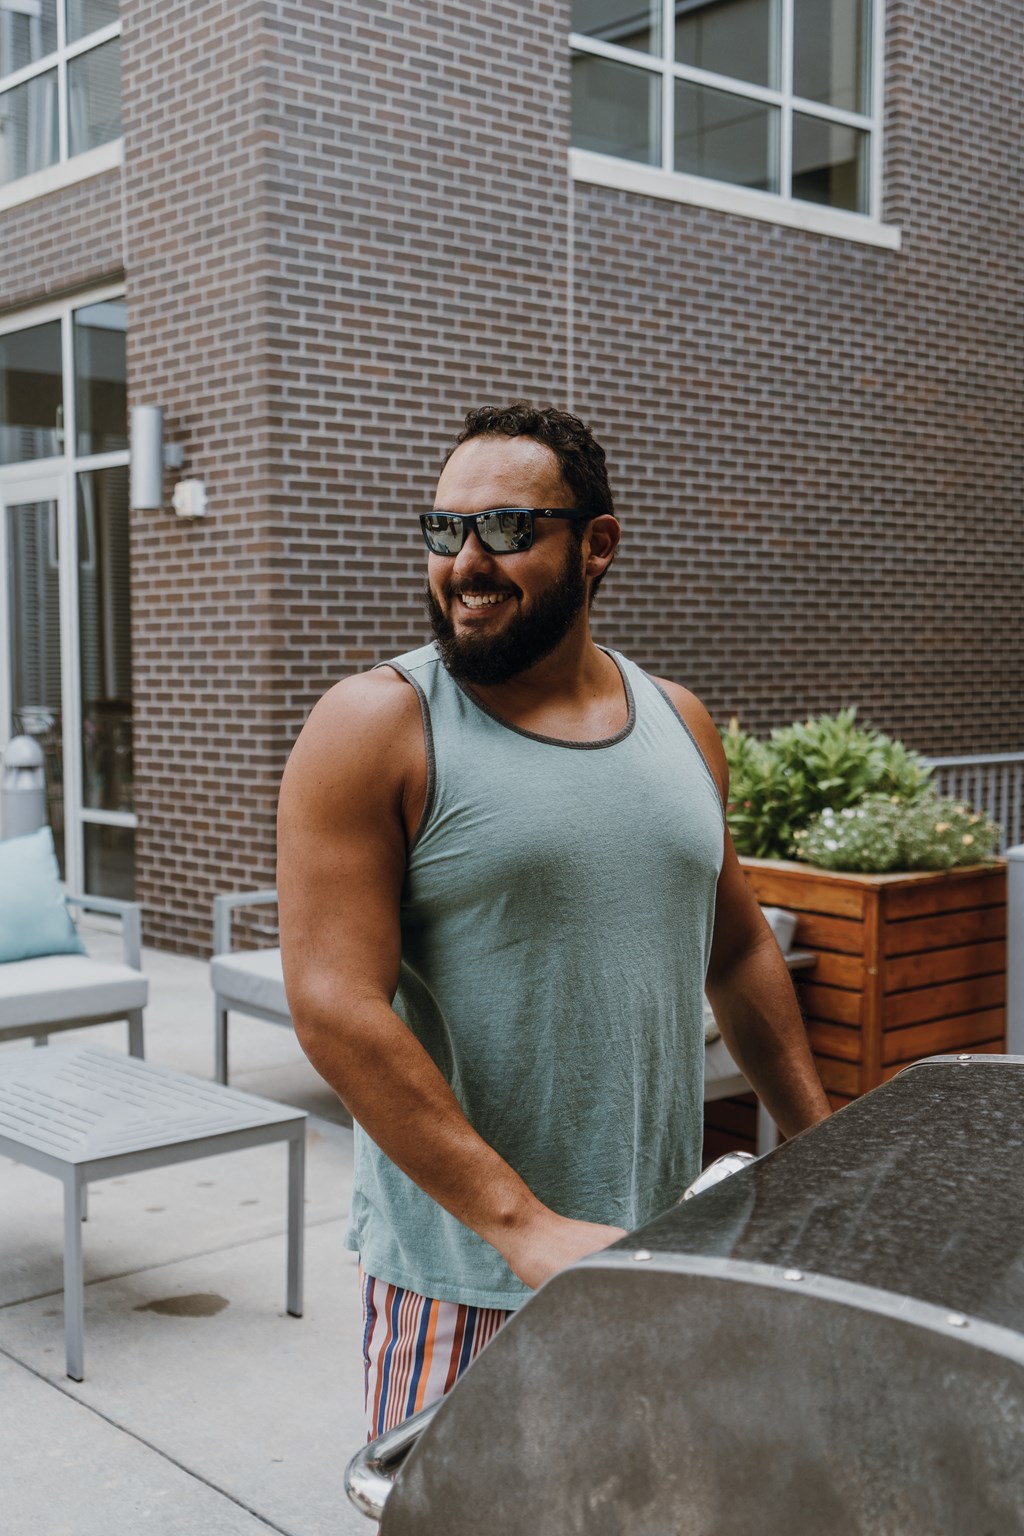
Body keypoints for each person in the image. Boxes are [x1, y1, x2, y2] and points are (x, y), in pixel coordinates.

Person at [276, 402, 831, 1437]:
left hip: (656, 1243)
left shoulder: (680, 721)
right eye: (443, 531)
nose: (465, 563)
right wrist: (520, 1226)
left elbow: (738, 944)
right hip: (469, 1269)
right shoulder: (375, 724)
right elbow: (332, 1004)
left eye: (507, 529)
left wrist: (823, 1144)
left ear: (598, 545)